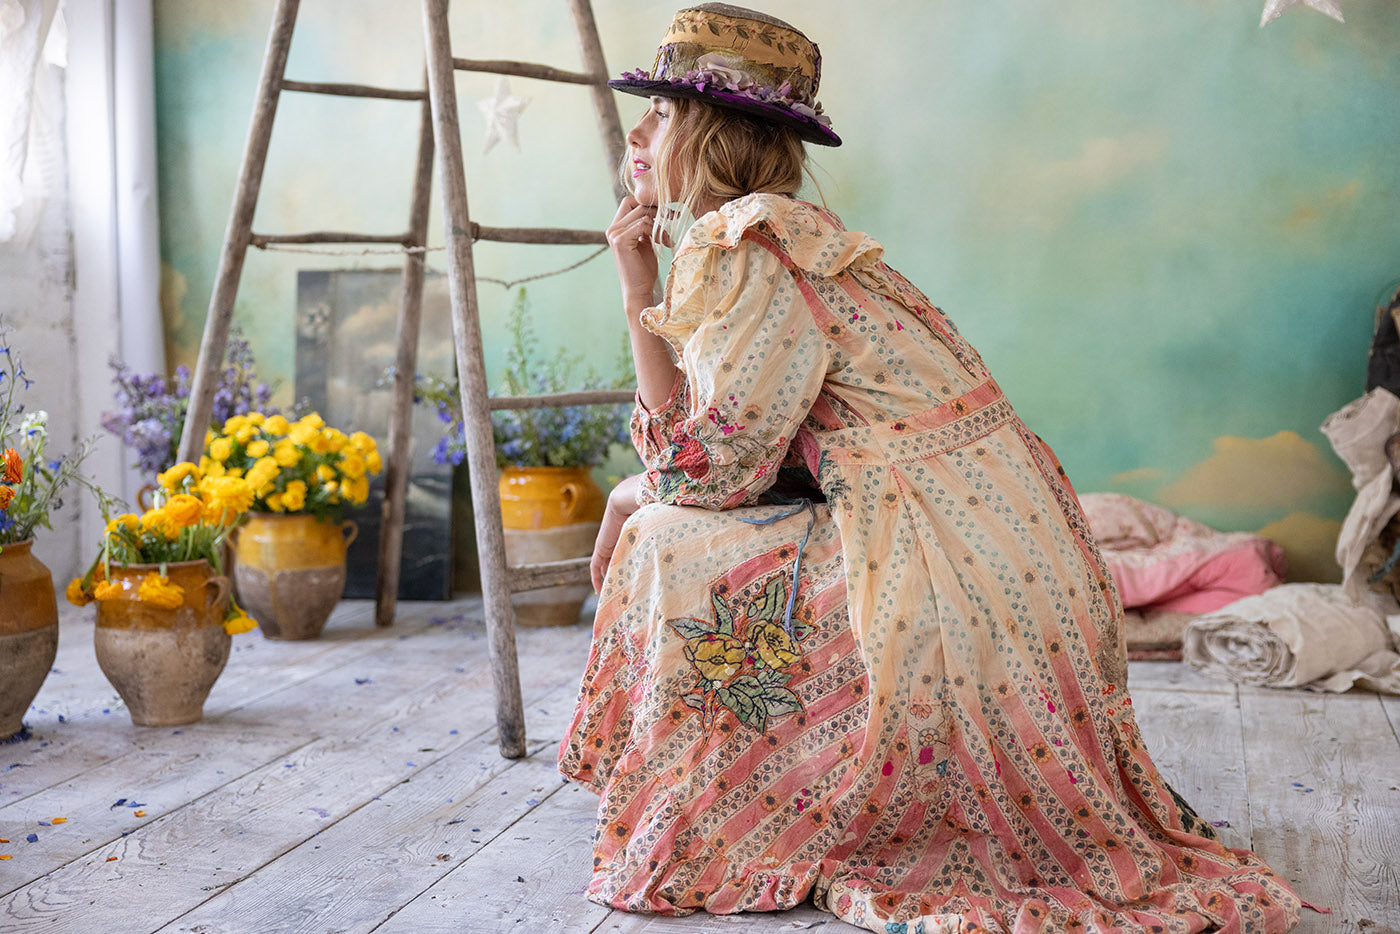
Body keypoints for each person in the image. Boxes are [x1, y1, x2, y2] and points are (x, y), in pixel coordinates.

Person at [559, 5, 1301, 932]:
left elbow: (713, 472)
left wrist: (629, 494)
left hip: (944, 547)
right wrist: (636, 283)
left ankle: (742, 811)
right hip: (973, 526)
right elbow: (707, 449)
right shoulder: (775, 237)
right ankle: (737, 795)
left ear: (714, 135)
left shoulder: (752, 247)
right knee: (666, 525)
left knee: (667, 539)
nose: (638, 132)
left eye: (664, 112)